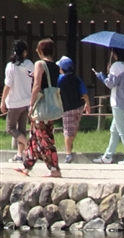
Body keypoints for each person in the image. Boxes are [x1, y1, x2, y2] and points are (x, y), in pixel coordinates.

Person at [15, 38, 61, 178]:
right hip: (50, 105)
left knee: (45, 138)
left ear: (41, 50)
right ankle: (26, 166)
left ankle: (55, 169)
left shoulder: (39, 64)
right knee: (34, 137)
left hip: (41, 105)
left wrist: (31, 104)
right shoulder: (55, 66)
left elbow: (37, 86)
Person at [93, 48, 124, 165]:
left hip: (118, 102)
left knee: (122, 131)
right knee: (114, 130)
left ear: (116, 53)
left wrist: (102, 76)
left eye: (113, 52)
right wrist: (110, 73)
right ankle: (107, 156)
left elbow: (110, 84)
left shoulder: (116, 66)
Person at [1, 39, 33, 164]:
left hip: (14, 103)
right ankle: (20, 155)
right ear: (24, 52)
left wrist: (2, 101)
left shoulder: (11, 66)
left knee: (10, 128)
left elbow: (8, 85)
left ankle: (29, 145)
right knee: (22, 129)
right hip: (26, 102)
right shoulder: (29, 64)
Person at [56, 56, 90, 163]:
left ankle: (68, 154)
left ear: (61, 68)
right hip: (78, 107)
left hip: (67, 109)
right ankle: (70, 145)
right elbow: (84, 92)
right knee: (75, 128)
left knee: (67, 131)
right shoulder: (77, 79)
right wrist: (87, 104)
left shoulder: (59, 79)